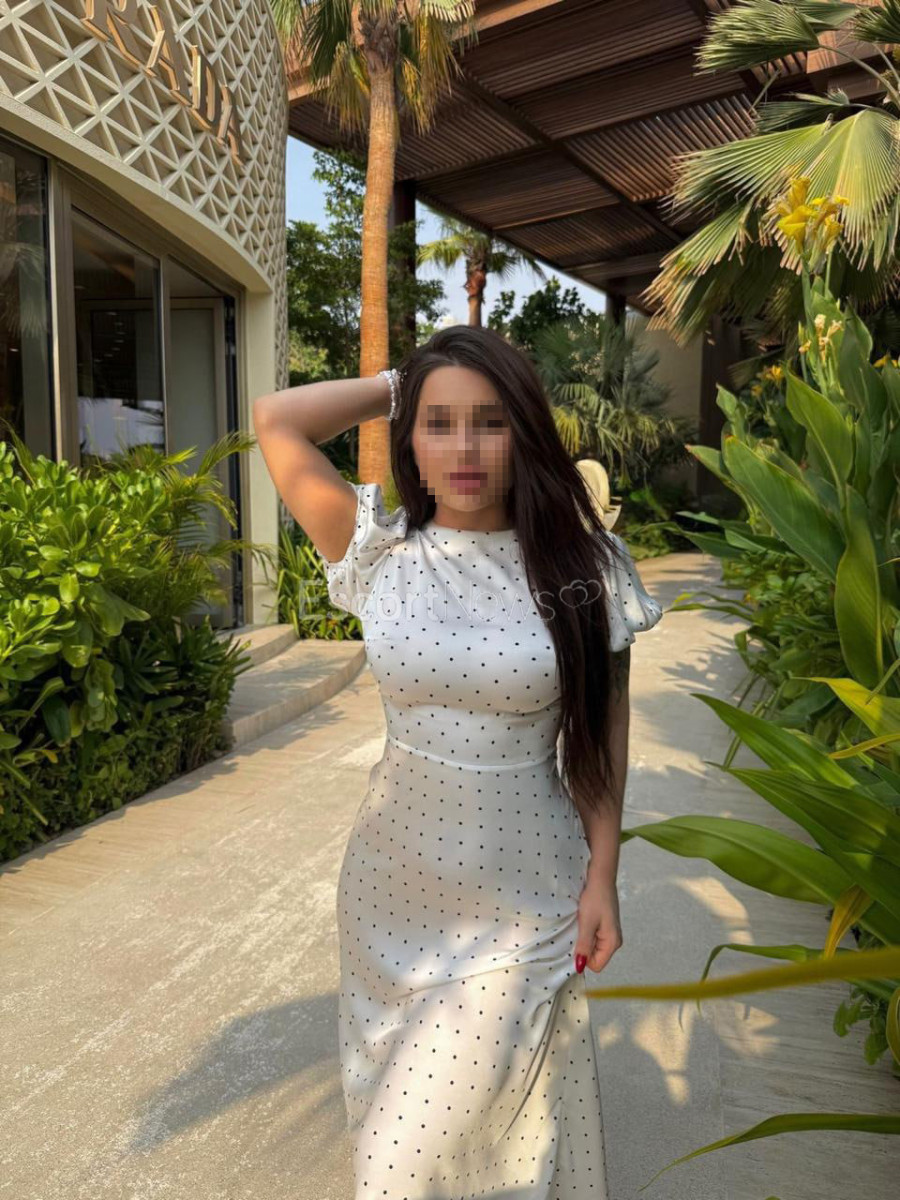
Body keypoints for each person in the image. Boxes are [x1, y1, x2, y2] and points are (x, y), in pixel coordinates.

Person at [253, 324, 663, 1199]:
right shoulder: (377, 551)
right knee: (423, 1145)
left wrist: (603, 876)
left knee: (398, 1168)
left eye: (490, 421)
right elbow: (277, 419)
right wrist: (400, 382)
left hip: (523, 904)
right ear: (410, 439)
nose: (465, 448)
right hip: (388, 897)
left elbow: (600, 745)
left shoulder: (585, 570)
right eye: (439, 423)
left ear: (525, 432)